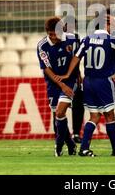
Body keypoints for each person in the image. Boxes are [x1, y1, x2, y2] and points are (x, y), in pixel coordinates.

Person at [59, 11, 115, 157]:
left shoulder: (86, 39)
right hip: (103, 81)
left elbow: (76, 58)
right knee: (109, 116)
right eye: (110, 24)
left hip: (88, 81)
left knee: (94, 116)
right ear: (106, 25)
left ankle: (84, 148)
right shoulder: (111, 40)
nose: (112, 27)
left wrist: (67, 74)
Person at [37, 17, 79, 157]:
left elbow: (77, 57)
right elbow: (47, 69)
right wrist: (61, 84)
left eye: (56, 34)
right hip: (53, 81)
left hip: (70, 79)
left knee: (60, 112)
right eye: (50, 34)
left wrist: (77, 74)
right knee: (57, 115)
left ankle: (58, 145)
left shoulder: (73, 39)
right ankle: (71, 144)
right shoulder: (42, 46)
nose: (53, 37)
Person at [63, 18, 84, 144]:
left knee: (78, 104)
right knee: (60, 107)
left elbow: (77, 57)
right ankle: (62, 135)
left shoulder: (76, 37)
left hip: (74, 76)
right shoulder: (57, 39)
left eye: (73, 25)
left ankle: (76, 133)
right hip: (61, 77)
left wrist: (79, 73)